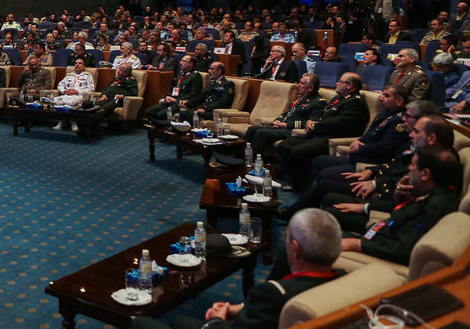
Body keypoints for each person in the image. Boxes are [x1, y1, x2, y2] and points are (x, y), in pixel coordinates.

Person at [147, 209, 344, 329]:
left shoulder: (273, 294)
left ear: (296, 248)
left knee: (147, 323)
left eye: (286, 239)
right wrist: (240, 308)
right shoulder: (343, 279)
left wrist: (217, 319)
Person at [282, 104, 443, 218]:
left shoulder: (433, 160)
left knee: (325, 181)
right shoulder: (414, 143)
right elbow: (394, 165)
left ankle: (298, 214)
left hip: (385, 194)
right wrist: (372, 173)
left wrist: (375, 185)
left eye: (408, 117)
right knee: (323, 174)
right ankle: (300, 210)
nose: (403, 120)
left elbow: (403, 184)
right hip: (376, 177)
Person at [333, 146, 461, 265]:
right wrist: (398, 197)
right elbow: (402, 218)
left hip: (378, 252)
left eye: (412, 164)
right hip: (377, 237)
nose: (409, 168)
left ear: (425, 174)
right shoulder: (431, 193)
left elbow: (402, 250)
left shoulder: (435, 205)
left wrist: (356, 244)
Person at [275, 73, 369, 190]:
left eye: (340, 81)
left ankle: (300, 186)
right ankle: (291, 179)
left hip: (333, 138)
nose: (337, 83)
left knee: (298, 151)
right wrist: (312, 122)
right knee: (285, 145)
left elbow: (338, 124)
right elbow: (325, 116)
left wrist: (315, 126)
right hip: (319, 133)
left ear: (349, 85)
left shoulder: (355, 103)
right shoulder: (339, 98)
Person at [244, 74, 326, 160]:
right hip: (283, 127)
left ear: (310, 88)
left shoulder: (319, 102)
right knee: (252, 129)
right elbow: (286, 113)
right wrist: (277, 120)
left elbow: (310, 123)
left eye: (302, 84)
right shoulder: (300, 98)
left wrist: (286, 125)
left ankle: (253, 163)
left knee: (261, 133)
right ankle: (242, 158)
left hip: (293, 131)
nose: (299, 85)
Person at [143, 54, 203, 126]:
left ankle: (164, 126)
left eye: (183, 61)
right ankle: (165, 125)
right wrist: (168, 96)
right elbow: (173, 88)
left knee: (160, 115)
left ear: (191, 64)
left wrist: (176, 100)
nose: (180, 63)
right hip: (172, 100)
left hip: (181, 103)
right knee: (148, 112)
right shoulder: (181, 74)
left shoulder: (195, 76)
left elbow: (194, 95)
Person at [50, 59, 95, 132]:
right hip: (66, 95)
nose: (77, 65)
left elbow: (91, 89)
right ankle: (62, 121)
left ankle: (73, 122)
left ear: (83, 66)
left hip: (78, 97)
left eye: (80, 63)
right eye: (76, 63)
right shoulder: (69, 75)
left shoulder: (88, 75)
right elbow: (60, 85)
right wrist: (64, 91)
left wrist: (78, 92)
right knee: (55, 101)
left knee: (71, 103)